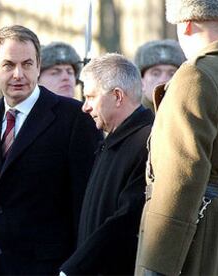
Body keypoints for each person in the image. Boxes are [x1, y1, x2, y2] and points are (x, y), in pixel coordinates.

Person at [0, 25, 102, 275]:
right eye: (8, 65)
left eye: (27, 64)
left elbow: (87, 203)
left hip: (51, 268)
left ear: (38, 66)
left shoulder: (73, 118)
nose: (19, 74)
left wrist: (78, 268)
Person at [135, 0, 218, 275]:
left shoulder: (194, 75)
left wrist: (157, 265)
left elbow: (180, 177)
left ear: (186, 24)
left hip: (193, 236)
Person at [59, 53, 154, 275]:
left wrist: (75, 268)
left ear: (118, 96)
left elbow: (126, 218)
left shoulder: (147, 142)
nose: (85, 107)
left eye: (91, 97)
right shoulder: (113, 140)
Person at [134, 39, 185, 111]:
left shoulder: (190, 118)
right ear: (141, 81)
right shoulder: (128, 118)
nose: (163, 80)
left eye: (172, 74)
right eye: (155, 74)